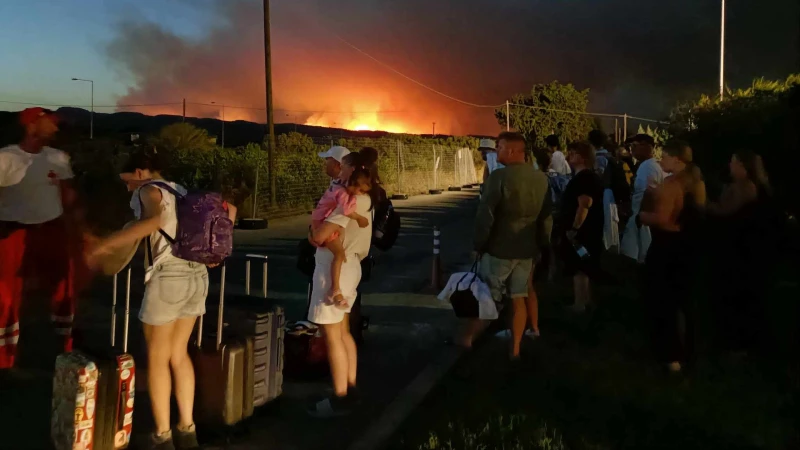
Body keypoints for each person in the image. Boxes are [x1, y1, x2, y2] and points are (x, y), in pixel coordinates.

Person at [87, 148, 237, 449]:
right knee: (178, 354)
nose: (128, 187)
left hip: (168, 279)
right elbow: (230, 209)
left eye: (128, 180)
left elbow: (152, 223)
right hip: (197, 276)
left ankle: (163, 436)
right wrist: (215, 251)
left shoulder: (149, 190)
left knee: (157, 359)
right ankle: (187, 429)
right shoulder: (181, 190)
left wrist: (104, 245)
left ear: (141, 172)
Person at [0, 108, 88, 371]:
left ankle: (63, 350)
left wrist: (80, 229)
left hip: (52, 228)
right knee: (5, 293)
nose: (55, 127)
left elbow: (67, 196)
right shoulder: (6, 157)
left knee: (63, 287)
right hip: (11, 230)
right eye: (48, 122)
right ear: (31, 125)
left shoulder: (58, 158)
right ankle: (6, 359)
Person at [307, 151, 380, 417]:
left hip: (334, 268)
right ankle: (350, 386)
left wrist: (313, 231)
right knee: (345, 332)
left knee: (332, 336)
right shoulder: (367, 198)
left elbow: (320, 234)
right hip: (353, 266)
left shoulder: (350, 201)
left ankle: (339, 397)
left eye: (342, 166)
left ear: (349, 169)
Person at [474, 132, 552, 359]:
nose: (496, 151)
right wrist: (543, 245)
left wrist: (479, 243)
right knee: (519, 296)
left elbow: (485, 215)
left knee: (487, 297)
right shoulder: (540, 179)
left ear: (511, 150)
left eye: (498, 147)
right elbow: (546, 217)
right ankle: (515, 350)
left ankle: (467, 339)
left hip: (500, 249)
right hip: (527, 250)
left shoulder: (499, 178)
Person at [639, 140, 706, 373]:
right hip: (690, 248)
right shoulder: (697, 185)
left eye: (665, 156)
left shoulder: (672, 185)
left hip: (666, 247)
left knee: (662, 301)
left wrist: (642, 216)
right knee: (685, 301)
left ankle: (670, 355)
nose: (661, 160)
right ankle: (689, 352)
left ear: (677, 160)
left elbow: (663, 219)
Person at [708, 150, 775, 355]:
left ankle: (737, 344)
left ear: (743, 167)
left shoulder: (744, 187)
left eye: (734, 162)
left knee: (736, 296)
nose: (730, 165)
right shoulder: (761, 187)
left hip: (739, 251)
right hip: (753, 251)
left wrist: (701, 204)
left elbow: (724, 211)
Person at [310, 168, 371, 309]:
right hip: (321, 222)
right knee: (339, 254)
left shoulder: (336, 185)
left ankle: (335, 290)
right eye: (360, 191)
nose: (360, 194)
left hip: (318, 219)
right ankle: (335, 290)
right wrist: (360, 218)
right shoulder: (343, 193)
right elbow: (347, 210)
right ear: (353, 184)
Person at [559, 141, 605, 313]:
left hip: (582, 231)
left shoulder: (584, 178)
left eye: (572, 153)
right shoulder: (590, 177)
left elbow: (584, 203)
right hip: (590, 229)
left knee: (579, 266)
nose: (568, 156)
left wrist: (574, 228)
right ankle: (586, 300)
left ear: (581, 157)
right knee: (585, 265)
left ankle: (579, 303)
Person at [621, 134, 666, 263]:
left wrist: (641, 216)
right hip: (640, 217)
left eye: (635, 146)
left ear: (648, 147)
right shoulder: (645, 165)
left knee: (641, 256)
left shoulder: (649, 166)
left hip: (643, 220)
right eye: (631, 146)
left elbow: (650, 194)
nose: (632, 150)